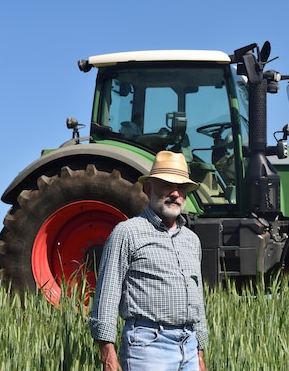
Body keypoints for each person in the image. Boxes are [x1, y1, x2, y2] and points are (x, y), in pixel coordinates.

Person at [89, 151, 208, 371]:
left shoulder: (192, 240)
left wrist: (200, 352)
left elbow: (197, 300)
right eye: (166, 185)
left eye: (181, 188)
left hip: (189, 346)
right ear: (148, 189)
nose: (174, 193)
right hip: (148, 346)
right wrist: (107, 355)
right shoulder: (127, 232)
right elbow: (106, 295)